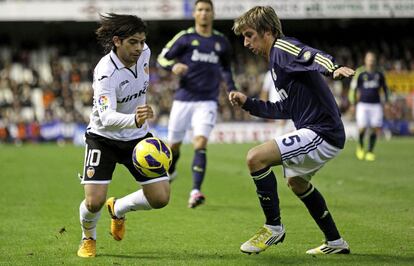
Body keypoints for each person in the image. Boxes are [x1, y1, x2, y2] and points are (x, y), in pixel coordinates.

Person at [229, 6, 355, 255]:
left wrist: (332, 67)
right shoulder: (276, 63)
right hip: (319, 130)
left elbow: (309, 54)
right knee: (296, 182)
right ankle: (336, 242)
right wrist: (249, 104)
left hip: (322, 131)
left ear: (268, 31)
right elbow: (286, 108)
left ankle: (273, 227)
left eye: (249, 35)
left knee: (255, 157)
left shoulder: (282, 49)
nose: (245, 43)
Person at [77, 13, 170, 258]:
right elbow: (106, 117)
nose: (139, 48)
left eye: (142, 41)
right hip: (103, 138)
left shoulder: (146, 53)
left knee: (161, 197)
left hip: (137, 138)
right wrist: (134, 119)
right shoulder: (105, 72)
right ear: (117, 41)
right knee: (93, 202)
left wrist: (136, 124)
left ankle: (118, 208)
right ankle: (88, 238)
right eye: (133, 42)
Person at [157, 0, 236, 208]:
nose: (203, 13)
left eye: (207, 10)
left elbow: (226, 69)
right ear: (194, 14)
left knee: (200, 143)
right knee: (173, 146)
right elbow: (162, 58)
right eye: (200, 10)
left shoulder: (221, 42)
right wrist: (173, 67)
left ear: (213, 13)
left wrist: (232, 88)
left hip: (207, 101)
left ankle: (195, 192)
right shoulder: (185, 38)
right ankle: (171, 172)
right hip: (183, 100)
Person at [349, 51, 389, 161]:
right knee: (362, 128)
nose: (371, 62)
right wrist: (353, 103)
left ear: (374, 61)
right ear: (365, 60)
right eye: (369, 59)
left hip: (376, 105)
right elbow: (353, 88)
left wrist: (387, 101)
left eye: (372, 60)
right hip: (363, 104)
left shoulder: (379, 73)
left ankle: (370, 151)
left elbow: (385, 88)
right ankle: (360, 147)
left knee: (375, 128)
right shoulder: (360, 72)